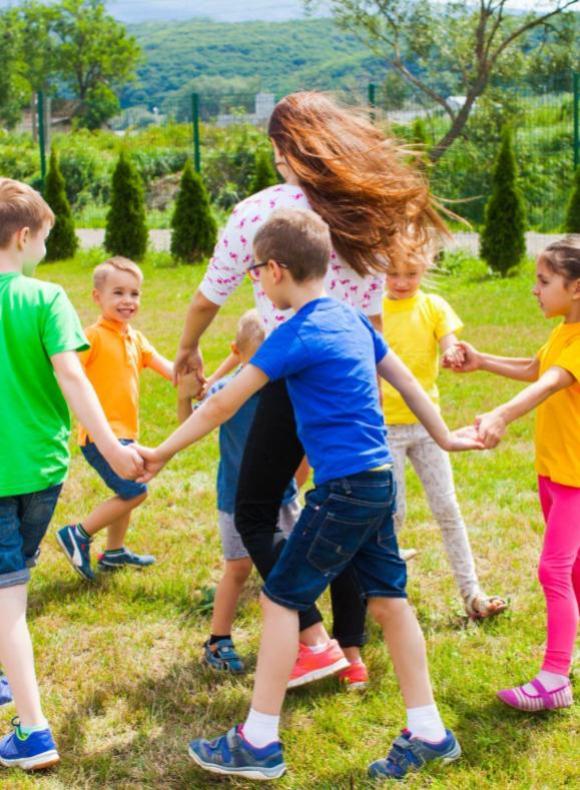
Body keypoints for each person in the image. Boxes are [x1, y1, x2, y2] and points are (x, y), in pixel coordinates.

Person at [139, 209, 483, 781]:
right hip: (378, 482)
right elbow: (408, 382)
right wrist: (444, 437)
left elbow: (224, 402)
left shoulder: (292, 333)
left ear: (274, 270)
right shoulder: (353, 321)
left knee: (280, 599)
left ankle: (258, 741)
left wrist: (161, 450)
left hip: (344, 491)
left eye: (257, 270)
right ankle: (429, 731)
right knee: (390, 602)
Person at [173, 91, 448, 686]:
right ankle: (353, 655)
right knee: (342, 512)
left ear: (282, 147)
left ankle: (313, 636)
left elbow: (207, 298)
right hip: (350, 383)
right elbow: (374, 323)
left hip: (285, 380)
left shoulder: (259, 213)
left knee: (255, 512)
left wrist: (188, 348)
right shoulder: (364, 216)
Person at [0, 178, 142, 771]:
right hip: (41, 470)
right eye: (46, 240)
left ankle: (32, 730)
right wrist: (109, 446)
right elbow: (72, 378)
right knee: (10, 585)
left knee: (8, 600)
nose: (46, 252)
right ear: (25, 235)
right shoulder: (48, 298)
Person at [445, 235, 580, 711]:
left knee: (554, 570)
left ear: (577, 287)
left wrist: (500, 415)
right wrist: (483, 362)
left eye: (544, 281)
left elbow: (548, 383)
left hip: (577, 483)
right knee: (575, 572)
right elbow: (534, 365)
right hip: (556, 475)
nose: (535, 290)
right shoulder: (565, 330)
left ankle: (554, 678)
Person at [178, 309, 301, 674]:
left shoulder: (290, 388)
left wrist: (299, 478)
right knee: (238, 567)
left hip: (282, 497)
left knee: (288, 566)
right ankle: (218, 639)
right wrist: (184, 395)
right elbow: (189, 426)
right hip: (236, 498)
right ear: (237, 352)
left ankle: (297, 640)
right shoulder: (224, 392)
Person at [383, 255, 507, 618]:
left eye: (411, 273)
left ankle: (472, 594)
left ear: (426, 267)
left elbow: (448, 341)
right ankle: (385, 593)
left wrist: (452, 351)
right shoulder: (373, 308)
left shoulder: (434, 306)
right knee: (393, 514)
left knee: (447, 508)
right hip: (383, 427)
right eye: (392, 273)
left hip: (426, 426)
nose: (402, 281)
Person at [56, 257, 173, 581]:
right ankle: (77, 533)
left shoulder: (136, 339)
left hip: (126, 436)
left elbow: (170, 371)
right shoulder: (92, 336)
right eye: (118, 292)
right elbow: (68, 373)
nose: (127, 300)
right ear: (97, 297)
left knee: (128, 492)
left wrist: (197, 381)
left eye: (134, 294)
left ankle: (115, 552)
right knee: (135, 492)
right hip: (100, 437)